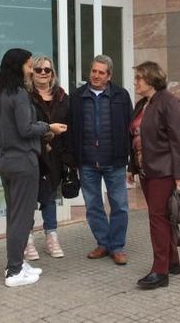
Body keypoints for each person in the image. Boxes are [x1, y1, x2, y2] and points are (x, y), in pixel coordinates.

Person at [0, 48, 67, 287]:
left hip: (6, 161)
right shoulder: (20, 95)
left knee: (15, 215)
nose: (31, 70)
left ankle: (16, 264)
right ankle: (14, 271)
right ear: (18, 67)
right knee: (22, 219)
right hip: (23, 162)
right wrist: (48, 127)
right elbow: (26, 129)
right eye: (28, 65)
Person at [129, 61, 180, 290]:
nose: (136, 81)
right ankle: (173, 261)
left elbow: (178, 141)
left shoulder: (169, 102)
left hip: (163, 171)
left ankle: (160, 270)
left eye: (139, 78)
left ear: (152, 79)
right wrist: (131, 168)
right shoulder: (142, 104)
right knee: (163, 217)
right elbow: (134, 137)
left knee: (158, 219)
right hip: (146, 170)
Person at [69, 55, 133, 265]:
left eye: (101, 72)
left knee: (120, 205)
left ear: (109, 76)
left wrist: (131, 161)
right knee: (93, 206)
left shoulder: (121, 96)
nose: (96, 76)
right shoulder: (77, 96)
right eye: (94, 71)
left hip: (114, 161)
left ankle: (117, 247)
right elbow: (72, 129)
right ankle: (103, 243)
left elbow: (130, 129)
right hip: (87, 161)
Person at [25, 55, 74, 260]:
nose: (43, 73)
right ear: (32, 73)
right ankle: (26, 240)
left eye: (47, 70)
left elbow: (71, 126)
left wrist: (69, 158)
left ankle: (51, 235)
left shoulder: (62, 96)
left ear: (52, 73)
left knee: (49, 196)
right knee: (28, 198)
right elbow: (25, 126)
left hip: (56, 154)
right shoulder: (25, 96)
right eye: (39, 70)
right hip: (33, 153)